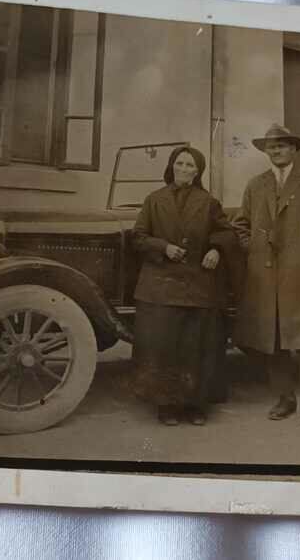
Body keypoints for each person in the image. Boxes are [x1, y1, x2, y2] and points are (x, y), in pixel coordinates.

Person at [231, 124, 300, 431]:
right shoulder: (256, 185)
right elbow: (241, 224)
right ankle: (285, 399)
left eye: (281, 146)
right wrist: (251, 248)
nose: (275, 151)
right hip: (265, 279)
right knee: (274, 340)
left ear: (293, 149)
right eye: (270, 147)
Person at [131, 146, 235, 426]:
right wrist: (163, 247)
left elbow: (225, 233)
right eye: (181, 163)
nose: (185, 169)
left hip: (197, 285)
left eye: (191, 165)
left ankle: (195, 406)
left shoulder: (209, 202)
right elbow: (138, 237)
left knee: (196, 347)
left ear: (198, 172)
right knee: (164, 347)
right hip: (161, 285)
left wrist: (216, 250)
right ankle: (166, 405)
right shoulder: (154, 200)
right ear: (171, 166)